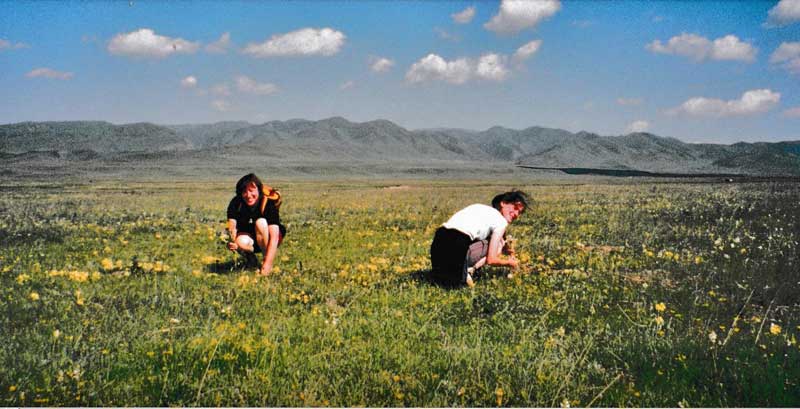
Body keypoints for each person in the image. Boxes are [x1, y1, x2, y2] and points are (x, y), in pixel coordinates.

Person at [429, 190, 528, 287]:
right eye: (515, 207)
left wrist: (508, 250)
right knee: (499, 244)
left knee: (443, 282)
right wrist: (510, 263)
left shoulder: (481, 208)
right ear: (503, 203)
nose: (516, 214)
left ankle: (454, 272)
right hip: (457, 244)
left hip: (438, 244)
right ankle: (469, 270)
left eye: (519, 212)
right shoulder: (501, 222)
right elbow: (491, 259)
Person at [226, 173, 286, 276]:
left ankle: (265, 259)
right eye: (244, 191)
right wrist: (231, 241)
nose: (248, 195)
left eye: (251, 190)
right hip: (252, 238)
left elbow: (275, 236)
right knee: (239, 240)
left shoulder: (268, 203)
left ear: (259, 190)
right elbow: (231, 226)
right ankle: (251, 260)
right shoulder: (236, 203)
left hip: (269, 237)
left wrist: (268, 263)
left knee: (260, 222)